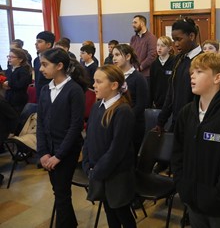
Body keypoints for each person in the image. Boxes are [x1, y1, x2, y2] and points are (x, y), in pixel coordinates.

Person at [172, 53, 220, 228]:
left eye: (199, 72)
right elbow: (177, 154)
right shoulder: (186, 113)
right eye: (192, 72)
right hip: (192, 199)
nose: (192, 75)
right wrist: (182, 186)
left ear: (217, 78)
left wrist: (218, 196)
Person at [37, 48, 89, 228]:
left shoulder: (73, 90)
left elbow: (75, 127)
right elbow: (41, 123)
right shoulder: (45, 89)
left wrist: (58, 156)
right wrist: (43, 152)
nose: (41, 69)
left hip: (66, 150)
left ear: (59, 66)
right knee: (59, 191)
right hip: (50, 149)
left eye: (45, 65)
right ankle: (70, 223)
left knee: (61, 192)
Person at [82, 65, 136, 228]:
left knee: (121, 213)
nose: (94, 86)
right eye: (94, 81)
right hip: (100, 171)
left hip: (116, 174)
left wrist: (97, 170)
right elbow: (89, 138)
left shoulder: (123, 111)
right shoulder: (97, 106)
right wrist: (86, 163)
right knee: (109, 213)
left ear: (113, 85)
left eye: (99, 82)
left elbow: (117, 149)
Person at [156, 17, 202, 132]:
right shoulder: (178, 59)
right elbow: (171, 92)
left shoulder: (203, 60)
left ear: (191, 36)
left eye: (179, 39)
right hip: (177, 122)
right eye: (173, 40)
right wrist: (161, 121)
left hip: (194, 124)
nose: (175, 44)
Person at [112, 44, 148, 157]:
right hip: (115, 122)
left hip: (133, 124)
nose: (114, 58)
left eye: (117, 55)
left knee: (129, 157)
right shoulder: (114, 77)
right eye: (113, 55)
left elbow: (141, 104)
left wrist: (124, 117)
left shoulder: (138, 78)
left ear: (128, 57)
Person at [4, 48, 33, 114]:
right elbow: (6, 81)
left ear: (20, 59)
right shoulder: (9, 69)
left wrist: (9, 84)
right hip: (8, 97)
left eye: (12, 57)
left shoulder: (23, 71)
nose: (9, 59)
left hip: (18, 100)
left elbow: (20, 85)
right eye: (8, 56)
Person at [149, 36, 175, 109]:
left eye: (162, 46)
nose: (159, 48)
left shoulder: (175, 62)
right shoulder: (154, 64)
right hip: (158, 101)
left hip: (172, 101)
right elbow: (152, 84)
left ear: (169, 48)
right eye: (157, 45)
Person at [130, 15, 157, 81]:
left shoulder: (151, 38)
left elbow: (152, 56)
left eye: (135, 22)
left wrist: (141, 67)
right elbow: (130, 54)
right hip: (133, 73)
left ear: (142, 23)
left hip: (146, 75)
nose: (133, 25)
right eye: (132, 23)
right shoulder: (133, 38)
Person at [34, 31, 55, 101]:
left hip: (50, 94)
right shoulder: (36, 60)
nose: (36, 44)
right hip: (39, 93)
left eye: (39, 42)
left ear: (48, 44)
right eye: (36, 41)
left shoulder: (54, 60)